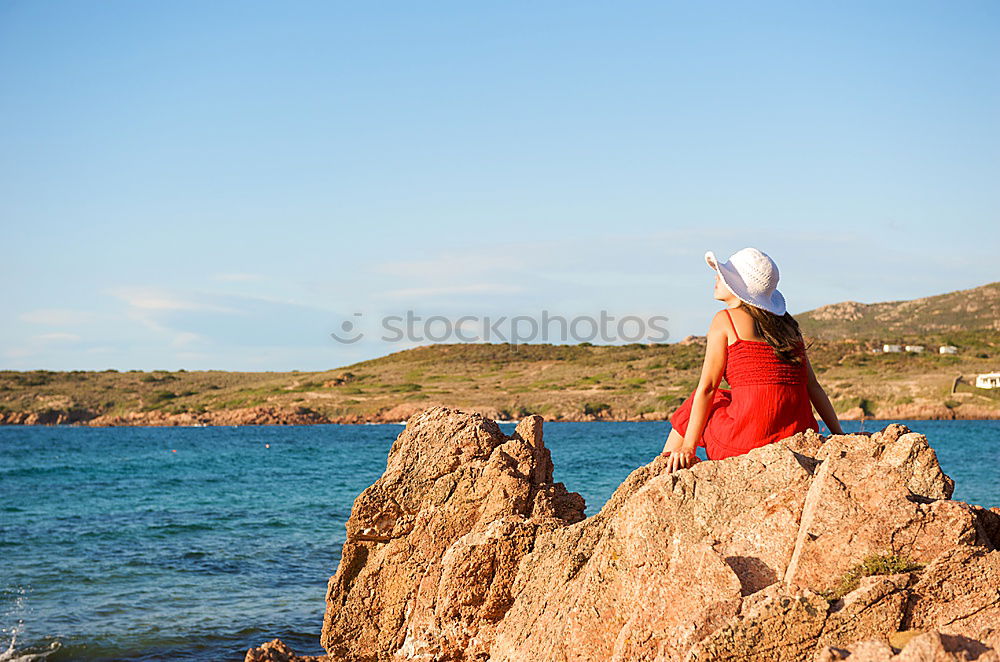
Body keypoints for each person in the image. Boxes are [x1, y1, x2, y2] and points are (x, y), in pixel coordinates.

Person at [660, 247, 843, 474]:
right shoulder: (788, 326)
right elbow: (812, 386)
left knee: (701, 401)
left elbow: (707, 388)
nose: (716, 278)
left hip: (746, 442)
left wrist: (689, 446)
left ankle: (664, 468)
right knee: (723, 396)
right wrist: (839, 434)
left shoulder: (724, 320)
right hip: (795, 435)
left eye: (723, 275)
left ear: (737, 287)